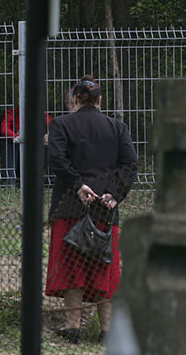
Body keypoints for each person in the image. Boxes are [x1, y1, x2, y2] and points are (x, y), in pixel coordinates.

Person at [45, 76, 138, 344]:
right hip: (105, 208)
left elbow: (56, 159)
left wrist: (78, 185)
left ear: (75, 98)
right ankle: (107, 330)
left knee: (72, 266)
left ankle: (72, 326)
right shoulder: (117, 128)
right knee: (103, 266)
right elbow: (130, 164)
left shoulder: (61, 124)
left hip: (70, 204)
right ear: (99, 100)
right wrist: (114, 194)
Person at [0, 105, 52, 185]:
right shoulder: (11, 113)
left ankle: (52, 180)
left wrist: (49, 134)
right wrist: (19, 139)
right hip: (17, 157)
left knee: (51, 141)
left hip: (36, 156)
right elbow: (4, 130)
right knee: (8, 142)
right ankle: (9, 181)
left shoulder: (42, 114)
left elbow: (54, 125)